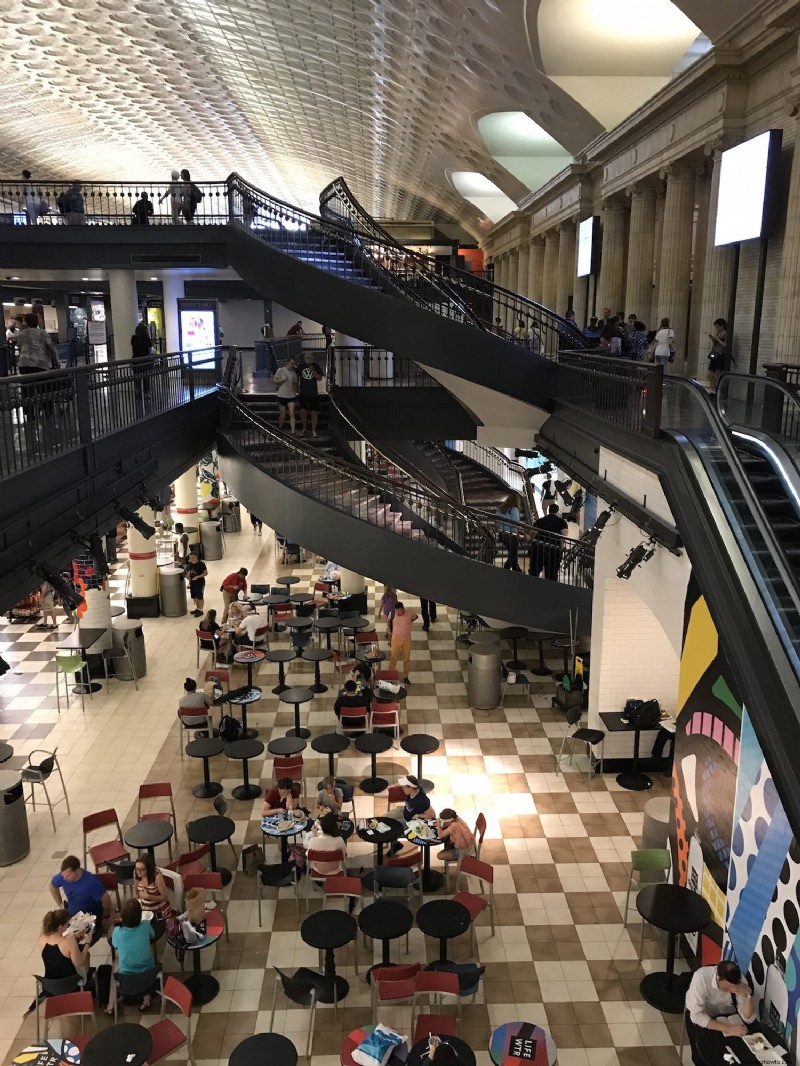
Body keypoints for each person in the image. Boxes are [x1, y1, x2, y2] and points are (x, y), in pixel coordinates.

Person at [685, 960, 756, 1063]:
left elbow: (747, 1018)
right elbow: (696, 1016)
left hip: (729, 1017)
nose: (730, 990)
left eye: (733, 988)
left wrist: (749, 994)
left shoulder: (741, 982)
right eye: (727, 987)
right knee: (706, 1056)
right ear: (718, 977)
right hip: (705, 1017)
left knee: (742, 1056)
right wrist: (728, 1029)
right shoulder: (701, 977)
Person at [109, 899, 156, 1013]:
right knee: (150, 948)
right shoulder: (145, 926)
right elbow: (152, 935)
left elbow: (115, 945)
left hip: (126, 976)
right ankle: (146, 999)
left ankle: (111, 1005)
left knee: (116, 962)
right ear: (140, 916)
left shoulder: (117, 932)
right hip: (147, 973)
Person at [49, 856, 112, 936]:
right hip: (72, 916)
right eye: (63, 876)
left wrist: (106, 916)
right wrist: (60, 904)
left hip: (90, 917)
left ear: (77, 871)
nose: (64, 879)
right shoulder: (64, 876)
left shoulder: (91, 883)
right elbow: (52, 886)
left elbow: (106, 898)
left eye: (68, 876)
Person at [38, 907, 90, 982]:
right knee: (86, 955)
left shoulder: (42, 938)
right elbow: (79, 962)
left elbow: (56, 945)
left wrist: (75, 936)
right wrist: (87, 943)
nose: (68, 926)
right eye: (67, 924)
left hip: (50, 984)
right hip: (70, 984)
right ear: (60, 927)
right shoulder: (70, 941)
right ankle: (87, 982)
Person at [303, 811, 347, 876]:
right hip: (335, 870)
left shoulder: (313, 841)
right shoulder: (339, 840)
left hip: (318, 870)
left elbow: (309, 857)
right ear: (335, 827)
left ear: (321, 826)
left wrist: (314, 835)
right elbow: (344, 854)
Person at [532, 504, 569, 581]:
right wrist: (561, 547)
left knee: (535, 570)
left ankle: (533, 586)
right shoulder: (562, 522)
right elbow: (564, 535)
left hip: (539, 548)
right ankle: (551, 588)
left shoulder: (539, 521)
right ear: (557, 511)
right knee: (552, 571)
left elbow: (533, 533)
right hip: (555, 549)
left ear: (549, 511)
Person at [132, 854, 173, 925]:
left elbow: (165, 897)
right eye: (137, 869)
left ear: (149, 869)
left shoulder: (157, 876)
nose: (139, 872)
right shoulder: (136, 874)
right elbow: (136, 892)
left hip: (159, 909)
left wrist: (148, 897)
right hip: (145, 909)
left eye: (143, 869)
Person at [388, 601, 418, 685]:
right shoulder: (392, 613)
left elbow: (416, 616)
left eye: (400, 610)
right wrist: (388, 629)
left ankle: (405, 676)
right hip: (395, 639)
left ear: (403, 609)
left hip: (406, 640)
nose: (398, 612)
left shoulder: (409, 613)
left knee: (406, 658)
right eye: (396, 611)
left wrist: (411, 621)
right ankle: (390, 675)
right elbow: (388, 620)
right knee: (393, 657)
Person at [298, 356, 324, 437]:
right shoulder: (301, 366)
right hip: (303, 393)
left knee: (314, 412)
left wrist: (313, 369)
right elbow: (296, 376)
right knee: (302, 411)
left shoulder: (316, 366)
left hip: (313, 393)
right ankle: (304, 428)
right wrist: (296, 387)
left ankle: (313, 430)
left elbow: (319, 378)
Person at [496, 492, 522, 571]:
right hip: (510, 535)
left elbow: (496, 521)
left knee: (512, 552)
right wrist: (522, 530)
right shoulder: (514, 510)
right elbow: (515, 523)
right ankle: (512, 568)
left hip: (502, 534)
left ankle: (514, 568)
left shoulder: (500, 509)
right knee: (513, 552)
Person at [274, 356, 299, 434]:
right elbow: (275, 380)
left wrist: (296, 391)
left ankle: (293, 432)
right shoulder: (280, 370)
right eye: (291, 363)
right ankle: (280, 426)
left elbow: (295, 385)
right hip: (282, 395)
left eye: (294, 364)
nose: (292, 365)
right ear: (287, 363)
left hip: (291, 395)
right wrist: (282, 379)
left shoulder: (294, 374)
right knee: (283, 414)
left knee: (292, 413)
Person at [130, 322, 152, 411]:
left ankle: (138, 392)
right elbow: (150, 350)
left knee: (137, 378)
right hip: (145, 361)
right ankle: (146, 393)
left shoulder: (133, 338)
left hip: (135, 361)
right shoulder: (146, 339)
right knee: (146, 377)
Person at [707, 317, 728, 394]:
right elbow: (715, 346)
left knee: (718, 374)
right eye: (716, 327)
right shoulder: (718, 334)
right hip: (715, 354)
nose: (717, 329)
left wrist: (718, 340)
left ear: (722, 326)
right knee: (710, 374)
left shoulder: (726, 333)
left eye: (718, 327)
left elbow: (727, 346)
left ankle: (718, 392)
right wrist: (713, 340)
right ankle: (713, 390)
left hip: (721, 355)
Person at [184, 550, 207, 616]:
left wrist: (198, 576)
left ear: (196, 557)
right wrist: (188, 578)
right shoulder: (190, 564)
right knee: (194, 597)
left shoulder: (201, 564)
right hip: (192, 583)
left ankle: (201, 610)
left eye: (192, 557)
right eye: (190, 557)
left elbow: (205, 573)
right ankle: (198, 608)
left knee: (200, 597)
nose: (191, 559)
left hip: (200, 583)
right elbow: (188, 573)